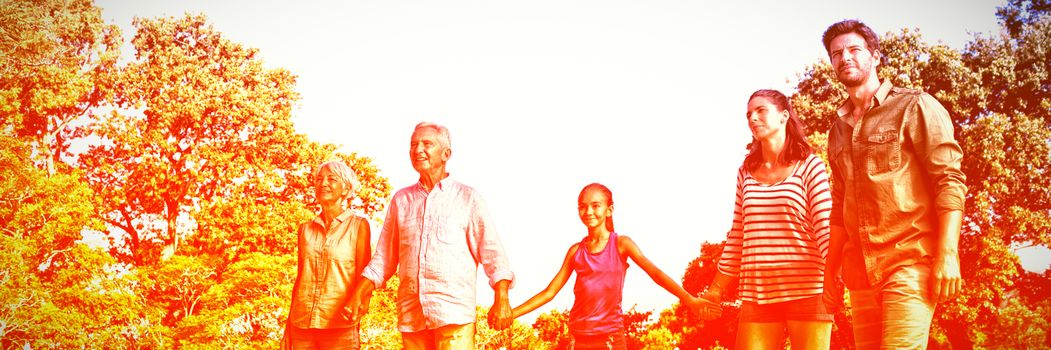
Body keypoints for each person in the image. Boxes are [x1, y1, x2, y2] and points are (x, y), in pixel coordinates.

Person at [820, 19, 967, 349]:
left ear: (875, 56)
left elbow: (949, 180)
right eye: (837, 53)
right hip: (859, 273)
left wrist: (947, 253)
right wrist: (830, 273)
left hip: (908, 261)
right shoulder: (837, 131)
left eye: (855, 49)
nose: (845, 58)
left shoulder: (914, 106)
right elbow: (839, 205)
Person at [345, 122, 514, 349]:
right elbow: (383, 259)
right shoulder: (401, 200)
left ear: (446, 154)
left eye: (427, 144)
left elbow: (493, 255)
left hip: (453, 315)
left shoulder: (468, 198)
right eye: (413, 145)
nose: (418, 150)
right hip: (412, 316)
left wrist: (502, 298)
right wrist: (359, 293)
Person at [700, 89, 834, 350]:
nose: (753, 118)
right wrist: (716, 289)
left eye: (761, 111)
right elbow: (738, 234)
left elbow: (825, 228)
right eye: (749, 114)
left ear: (784, 116)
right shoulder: (746, 172)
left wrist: (835, 279)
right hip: (757, 293)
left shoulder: (810, 166)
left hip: (808, 289)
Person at [511, 183, 719, 350]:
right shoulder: (576, 251)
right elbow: (549, 292)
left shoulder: (621, 244)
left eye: (595, 205)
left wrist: (689, 299)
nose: (588, 211)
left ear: (609, 210)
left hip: (610, 339)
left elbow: (655, 273)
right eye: (582, 206)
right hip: (578, 338)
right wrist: (512, 314)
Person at [283, 160, 372, 349]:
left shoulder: (358, 226)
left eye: (331, 179)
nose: (323, 183)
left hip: (340, 325)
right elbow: (300, 279)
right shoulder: (305, 230)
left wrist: (359, 308)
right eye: (319, 179)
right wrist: (288, 325)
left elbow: (365, 276)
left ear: (346, 189)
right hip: (301, 325)